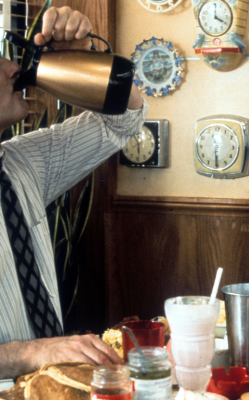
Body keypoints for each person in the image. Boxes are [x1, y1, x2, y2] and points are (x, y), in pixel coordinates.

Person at [0, 6, 147, 379]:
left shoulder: (22, 162)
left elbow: (124, 117)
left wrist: (79, 57)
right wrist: (32, 352)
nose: (13, 68)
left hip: (48, 387)